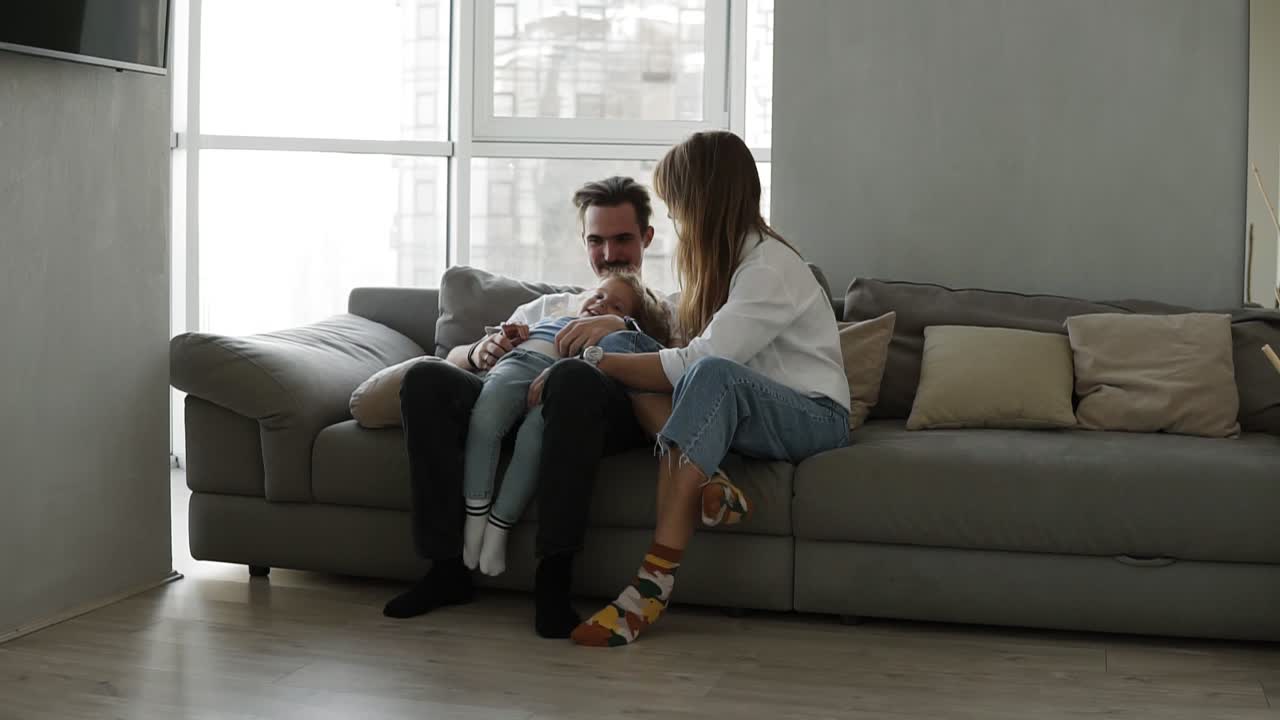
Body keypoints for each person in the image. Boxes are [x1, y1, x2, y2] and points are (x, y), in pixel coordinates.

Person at [563, 131, 852, 647]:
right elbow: (682, 348)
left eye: (677, 209)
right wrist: (617, 338)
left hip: (814, 416)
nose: (675, 222)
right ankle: (710, 480)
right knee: (636, 347)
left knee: (708, 372)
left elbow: (702, 362)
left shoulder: (770, 268)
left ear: (703, 201)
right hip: (745, 411)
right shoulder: (725, 266)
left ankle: (651, 586)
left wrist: (595, 361)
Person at [383, 176, 673, 640]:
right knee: (424, 378)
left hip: (593, 412)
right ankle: (446, 570)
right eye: (596, 241)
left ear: (647, 239)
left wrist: (616, 329)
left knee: (572, 377)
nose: (609, 253)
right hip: (510, 398)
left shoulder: (661, 310)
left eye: (622, 239)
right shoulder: (549, 305)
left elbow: (673, 379)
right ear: (584, 243)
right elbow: (454, 357)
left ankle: (554, 581)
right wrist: (481, 350)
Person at [461, 271, 671, 578]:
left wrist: (620, 326)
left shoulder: (614, 338)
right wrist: (503, 340)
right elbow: (463, 355)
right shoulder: (552, 315)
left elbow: (647, 353)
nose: (600, 305)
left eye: (616, 306)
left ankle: (498, 524)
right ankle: (475, 516)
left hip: (558, 391)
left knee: (535, 440)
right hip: (517, 366)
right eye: (599, 296)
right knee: (487, 414)